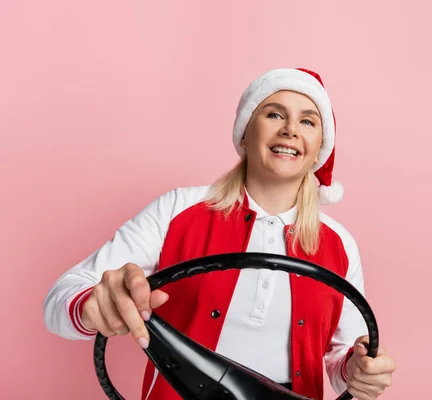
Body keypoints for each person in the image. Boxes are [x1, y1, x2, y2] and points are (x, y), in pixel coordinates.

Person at [43, 67, 396, 400]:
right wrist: (94, 307)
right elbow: (61, 299)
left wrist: (358, 369)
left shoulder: (340, 244)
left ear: (319, 148)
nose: (290, 130)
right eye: (274, 114)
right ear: (244, 132)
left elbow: (341, 361)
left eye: (307, 120)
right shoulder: (176, 210)